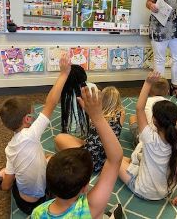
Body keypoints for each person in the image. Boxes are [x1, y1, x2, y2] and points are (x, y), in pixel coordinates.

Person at [0, 53, 72, 215]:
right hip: (44, 200)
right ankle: (7, 171)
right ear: (28, 119)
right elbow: (51, 103)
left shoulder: (9, 149)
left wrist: (11, 177)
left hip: (23, 204)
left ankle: (3, 172)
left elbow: (5, 187)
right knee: (51, 158)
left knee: (18, 166)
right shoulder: (32, 133)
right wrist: (64, 73)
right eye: (33, 112)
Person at [31, 87, 123, 218]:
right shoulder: (91, 208)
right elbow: (115, 159)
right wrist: (97, 116)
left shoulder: (37, 212)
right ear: (85, 188)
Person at [119, 71, 177, 205]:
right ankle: (132, 162)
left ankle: (131, 163)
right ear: (176, 120)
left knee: (114, 161)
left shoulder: (148, 136)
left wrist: (147, 83)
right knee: (132, 160)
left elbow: (139, 108)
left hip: (142, 190)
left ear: (154, 120)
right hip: (165, 191)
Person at [55, 86, 125, 172]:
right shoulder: (121, 113)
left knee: (60, 137)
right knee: (85, 141)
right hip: (109, 155)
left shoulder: (96, 113)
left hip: (90, 160)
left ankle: (70, 160)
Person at [129, 77, 169, 146]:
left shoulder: (145, 103)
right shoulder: (170, 103)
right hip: (166, 140)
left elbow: (140, 118)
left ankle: (138, 143)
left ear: (149, 90)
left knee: (132, 118)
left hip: (146, 142)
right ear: (167, 91)